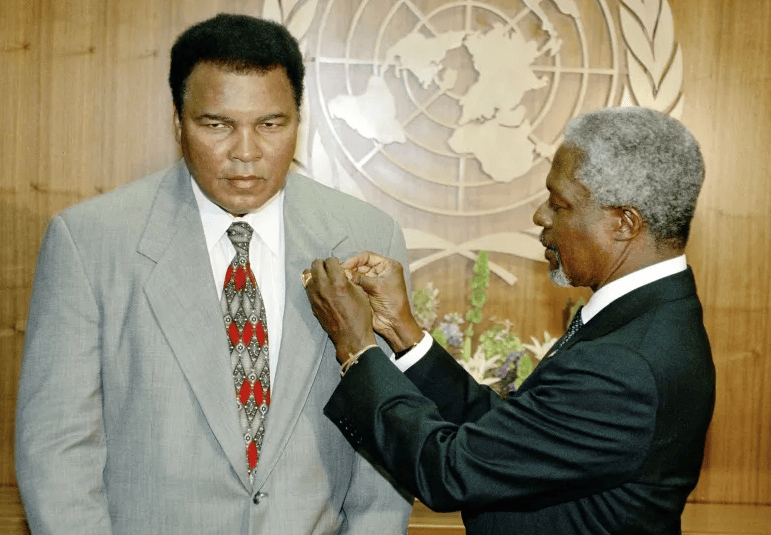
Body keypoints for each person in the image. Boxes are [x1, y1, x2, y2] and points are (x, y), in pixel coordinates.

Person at [15, 13, 412, 535]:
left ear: (299, 119)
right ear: (178, 122)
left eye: (270, 124)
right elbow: (57, 452)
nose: (246, 153)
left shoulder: (365, 235)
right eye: (217, 124)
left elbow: (385, 446)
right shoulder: (90, 242)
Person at [304, 107, 716, 535]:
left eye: (560, 205)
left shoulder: (625, 362)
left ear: (624, 224)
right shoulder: (650, 317)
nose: (541, 216)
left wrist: (356, 346)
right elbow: (508, 437)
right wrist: (402, 332)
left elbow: (448, 471)